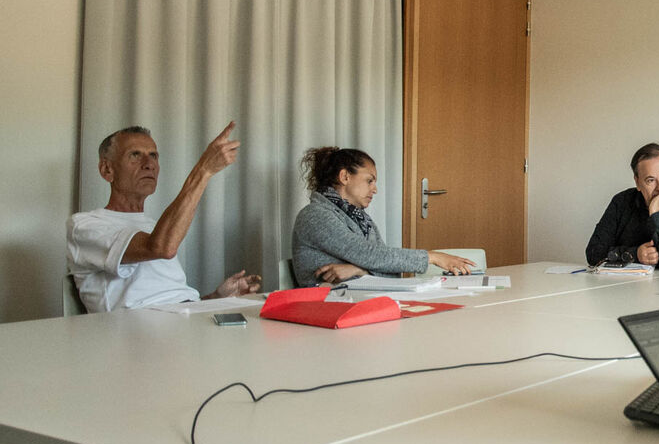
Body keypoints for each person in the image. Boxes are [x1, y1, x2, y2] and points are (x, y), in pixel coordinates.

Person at [67, 123, 262, 313]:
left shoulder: (156, 227)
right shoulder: (83, 225)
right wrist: (204, 170)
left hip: (182, 323)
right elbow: (161, 248)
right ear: (107, 170)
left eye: (153, 155)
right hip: (131, 330)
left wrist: (217, 297)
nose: (149, 164)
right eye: (135, 155)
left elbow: (173, 304)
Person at [291, 146, 476, 286]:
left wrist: (359, 270)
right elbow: (369, 255)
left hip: (364, 301)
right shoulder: (314, 216)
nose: (375, 189)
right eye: (369, 180)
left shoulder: (361, 219)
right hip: (327, 307)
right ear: (345, 177)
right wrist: (431, 257)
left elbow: (389, 269)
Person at [585, 143, 659, 271]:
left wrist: (657, 214)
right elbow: (593, 254)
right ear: (637, 182)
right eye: (650, 180)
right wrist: (634, 254)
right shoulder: (621, 202)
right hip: (627, 282)